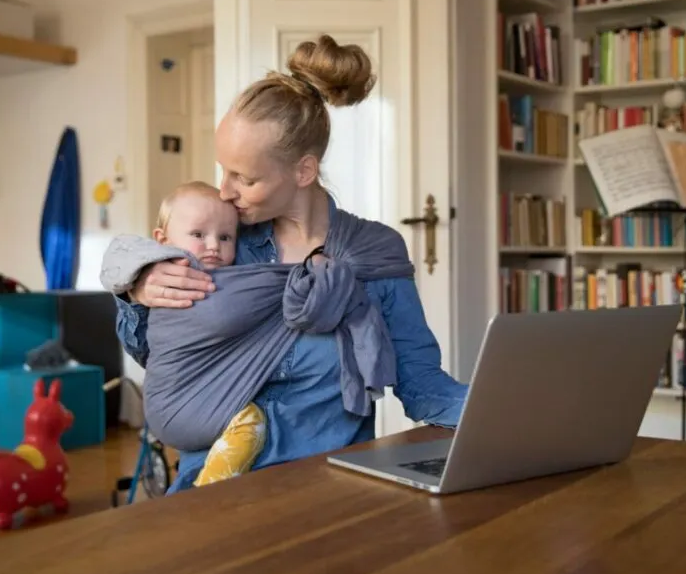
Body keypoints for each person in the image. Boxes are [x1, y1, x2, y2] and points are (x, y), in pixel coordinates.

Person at [112, 34, 468, 493]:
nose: (224, 191)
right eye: (223, 170)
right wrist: (137, 289)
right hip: (212, 488)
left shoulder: (373, 256)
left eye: (245, 177)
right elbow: (158, 354)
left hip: (325, 491)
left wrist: (516, 410)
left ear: (303, 171)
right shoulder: (223, 245)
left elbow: (422, 386)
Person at [148, 180, 267, 486]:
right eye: (199, 235)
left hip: (188, 403)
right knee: (252, 421)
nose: (214, 245)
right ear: (162, 240)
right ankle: (211, 488)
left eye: (226, 237)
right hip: (182, 403)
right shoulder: (176, 284)